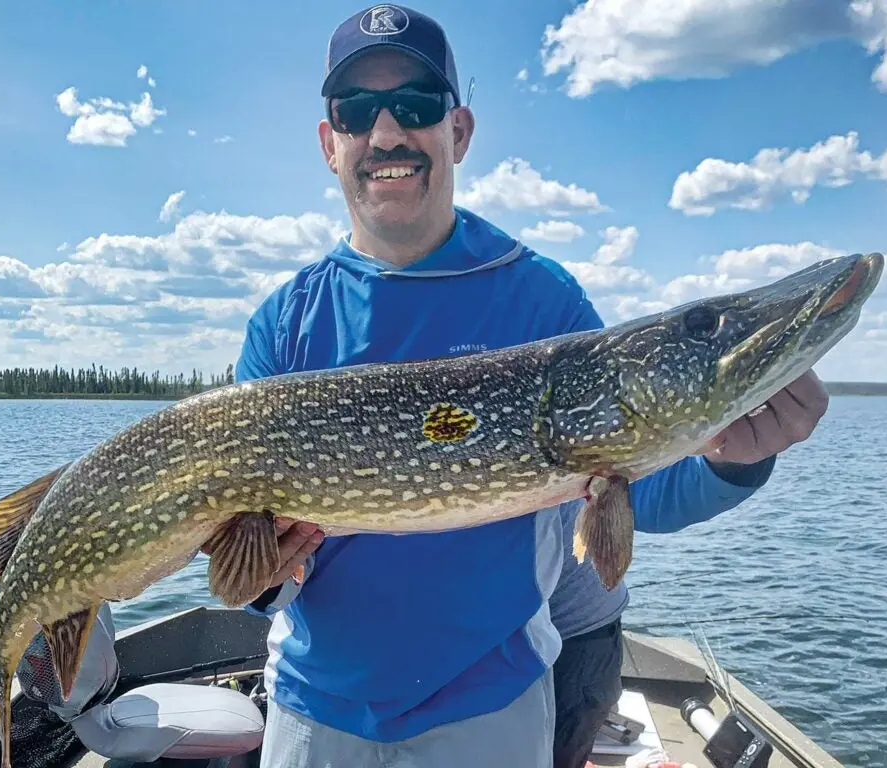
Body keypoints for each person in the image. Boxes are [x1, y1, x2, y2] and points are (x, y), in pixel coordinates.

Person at [232, 5, 830, 768]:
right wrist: (264, 573)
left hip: (493, 706)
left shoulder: (541, 299)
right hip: (316, 710)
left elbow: (634, 486)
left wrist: (735, 458)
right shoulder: (285, 322)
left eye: (415, 107)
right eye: (357, 112)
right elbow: (243, 559)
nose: (386, 135)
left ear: (458, 132)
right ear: (331, 142)